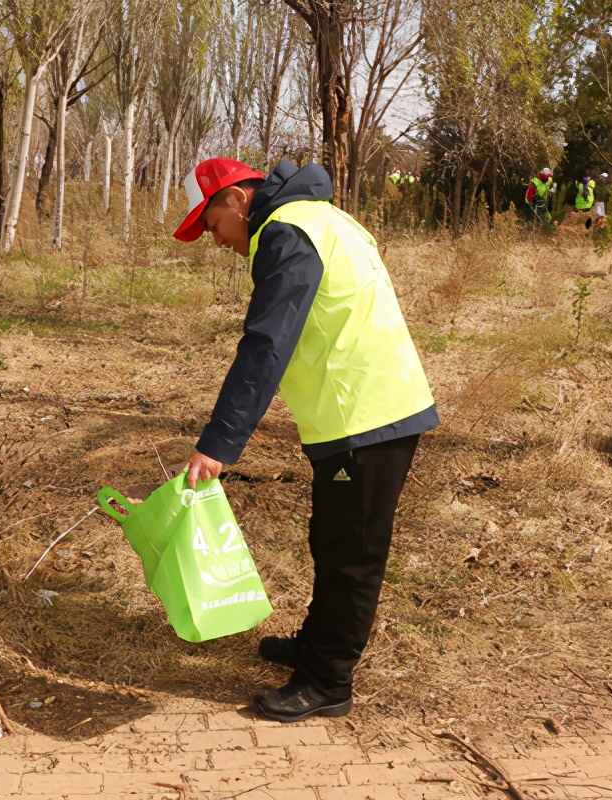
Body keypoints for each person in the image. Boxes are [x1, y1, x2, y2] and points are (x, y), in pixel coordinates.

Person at [173, 158, 438, 723]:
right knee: (332, 538)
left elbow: (267, 343)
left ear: (240, 200)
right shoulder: (322, 217)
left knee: (352, 556)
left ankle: (328, 682)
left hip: (366, 414)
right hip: (359, 410)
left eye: (213, 223)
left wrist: (219, 443)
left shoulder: (286, 233)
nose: (216, 240)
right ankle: (316, 646)